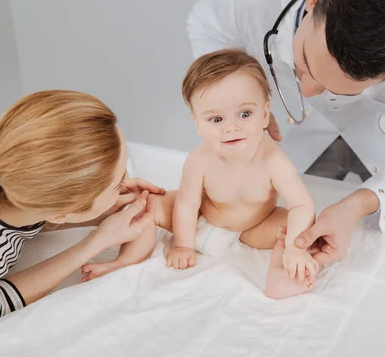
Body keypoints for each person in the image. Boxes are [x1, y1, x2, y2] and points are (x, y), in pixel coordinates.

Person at [187, 0, 385, 265]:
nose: (311, 91)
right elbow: (207, 27)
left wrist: (361, 202)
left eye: (339, 88)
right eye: (305, 62)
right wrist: (234, 98)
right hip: (299, 131)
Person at [0, 90, 165, 328]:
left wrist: (96, 210)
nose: (128, 180)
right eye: (118, 181)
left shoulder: (2, 149)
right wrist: (94, 243)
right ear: (61, 211)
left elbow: (37, 214)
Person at [83, 49, 320, 299]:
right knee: (146, 205)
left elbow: (301, 204)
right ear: (197, 123)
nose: (231, 127)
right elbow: (187, 203)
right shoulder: (200, 159)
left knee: (302, 230)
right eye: (216, 119)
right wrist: (184, 244)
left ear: (264, 114)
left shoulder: (274, 161)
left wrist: (295, 245)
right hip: (201, 220)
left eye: (244, 114)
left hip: (254, 228)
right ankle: (123, 262)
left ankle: (282, 276)